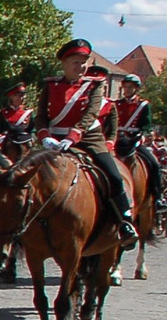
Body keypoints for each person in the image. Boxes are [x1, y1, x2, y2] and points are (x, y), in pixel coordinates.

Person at [33, 39, 137, 245]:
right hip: (53, 140)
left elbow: (90, 115)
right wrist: (45, 137)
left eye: (83, 62)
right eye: (75, 62)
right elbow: (41, 115)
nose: (80, 67)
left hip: (88, 139)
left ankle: (124, 222)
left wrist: (73, 137)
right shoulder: (51, 85)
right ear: (64, 63)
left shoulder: (94, 86)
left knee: (114, 176)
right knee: (22, 176)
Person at [114, 74, 167, 216]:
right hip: (117, 140)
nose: (126, 90)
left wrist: (142, 135)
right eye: (125, 87)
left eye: (130, 87)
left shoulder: (143, 105)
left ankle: (158, 198)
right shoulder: (116, 104)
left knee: (154, 164)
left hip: (134, 140)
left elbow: (146, 125)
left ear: (136, 89)